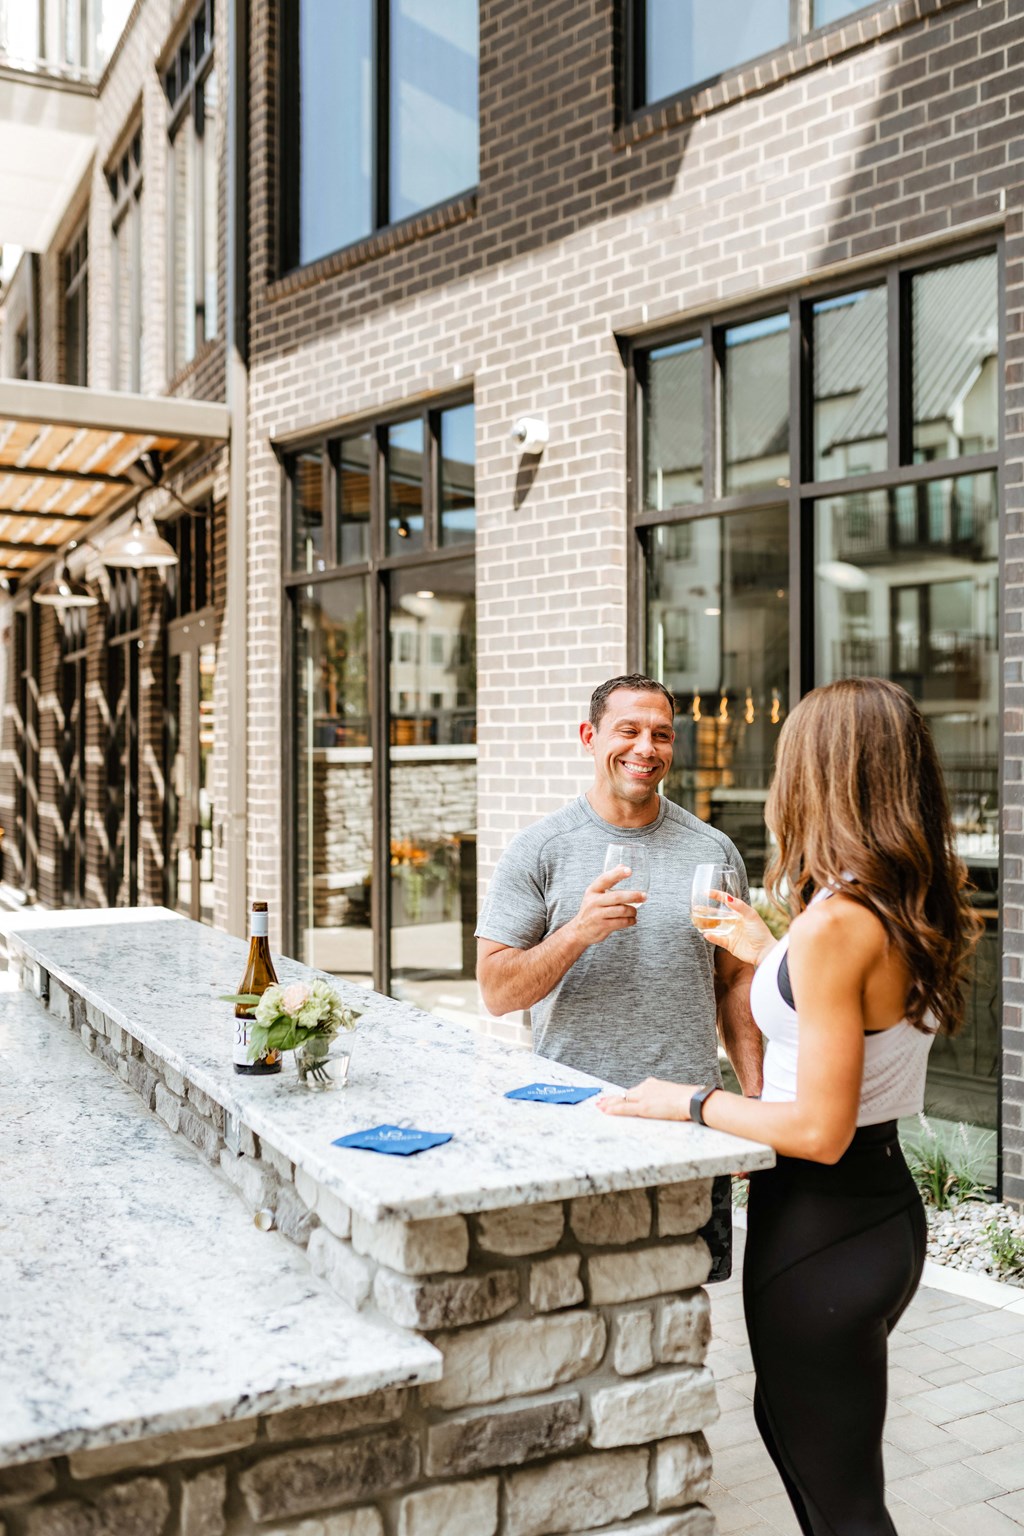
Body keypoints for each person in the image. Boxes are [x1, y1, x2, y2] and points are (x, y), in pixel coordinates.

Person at [598, 677, 982, 1536]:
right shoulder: (893, 900)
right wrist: (771, 953)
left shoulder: (842, 920)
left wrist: (688, 1101)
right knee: (815, 1467)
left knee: (839, 1503)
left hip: (822, 1226)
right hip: (870, 1212)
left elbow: (816, 1126)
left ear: (823, 773)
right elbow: (845, 1029)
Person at [476, 673, 764, 1279]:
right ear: (590, 736)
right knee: (573, 1293)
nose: (645, 748)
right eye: (627, 730)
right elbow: (497, 992)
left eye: (661, 734)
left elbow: (736, 982)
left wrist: (755, 1099)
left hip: (688, 1117)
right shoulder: (540, 849)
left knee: (685, 1300)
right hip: (574, 1118)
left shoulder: (712, 851)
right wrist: (577, 931)